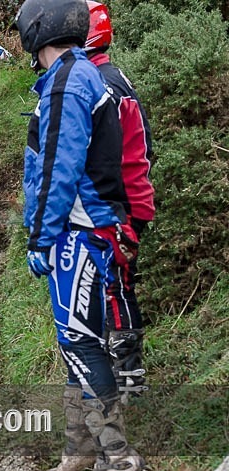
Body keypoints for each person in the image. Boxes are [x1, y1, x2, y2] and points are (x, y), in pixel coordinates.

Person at [14, 0, 144, 471]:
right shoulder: (79, 74)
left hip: (81, 231)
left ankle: (118, 458)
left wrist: (40, 236)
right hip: (85, 229)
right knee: (74, 343)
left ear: (35, 30)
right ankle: (81, 449)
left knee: (81, 340)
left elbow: (57, 170)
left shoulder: (69, 82)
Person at [85, 0, 155, 404]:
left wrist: (115, 213)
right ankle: (122, 377)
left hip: (119, 202)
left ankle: (129, 380)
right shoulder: (110, 76)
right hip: (128, 197)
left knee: (113, 285)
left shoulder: (102, 86)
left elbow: (106, 159)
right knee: (111, 285)